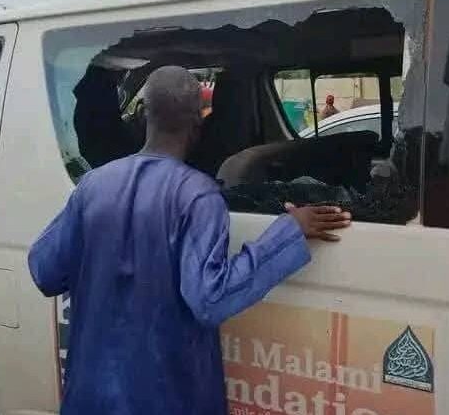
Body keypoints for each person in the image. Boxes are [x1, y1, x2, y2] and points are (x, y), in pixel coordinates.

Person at [28, 66, 351, 414]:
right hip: (166, 398)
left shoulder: (92, 186)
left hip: (90, 396)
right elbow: (210, 300)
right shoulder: (198, 196)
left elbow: (45, 270)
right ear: (199, 123)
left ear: (144, 115)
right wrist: (288, 232)